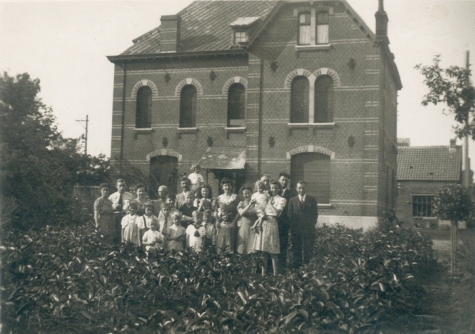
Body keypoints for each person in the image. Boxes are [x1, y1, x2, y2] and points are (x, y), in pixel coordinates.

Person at [252, 181, 286, 276]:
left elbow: (277, 213)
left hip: (272, 223)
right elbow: (260, 209)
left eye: (275, 188)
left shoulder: (281, 199)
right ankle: (263, 275)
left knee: (273, 251)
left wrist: (271, 204)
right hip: (264, 222)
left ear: (279, 189)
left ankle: (275, 275)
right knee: (263, 251)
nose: (273, 190)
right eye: (272, 188)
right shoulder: (267, 197)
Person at [287, 180, 318, 269]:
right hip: (296, 230)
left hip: (308, 229)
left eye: (303, 188)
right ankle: (297, 268)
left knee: (308, 248)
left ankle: (308, 267)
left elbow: (315, 214)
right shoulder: (292, 200)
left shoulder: (312, 200)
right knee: (297, 248)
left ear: (306, 188)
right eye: (299, 188)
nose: (301, 190)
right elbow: (290, 215)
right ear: (296, 189)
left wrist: (311, 225)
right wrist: (293, 228)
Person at [109, 179, 134, 244]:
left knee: (126, 233)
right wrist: (114, 208)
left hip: (126, 216)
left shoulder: (130, 196)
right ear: (116, 186)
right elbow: (108, 209)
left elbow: (134, 206)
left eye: (123, 185)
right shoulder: (112, 196)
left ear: (125, 186)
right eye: (120, 186)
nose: (122, 187)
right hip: (115, 217)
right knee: (116, 233)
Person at [236, 185, 257, 255]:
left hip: (253, 227)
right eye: (245, 193)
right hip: (244, 228)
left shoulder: (256, 203)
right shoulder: (241, 203)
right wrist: (249, 205)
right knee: (242, 249)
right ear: (242, 195)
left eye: (248, 193)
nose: (247, 195)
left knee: (253, 249)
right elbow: (241, 213)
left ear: (252, 193)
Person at [278, 172, 293, 270]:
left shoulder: (291, 194)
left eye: (286, 180)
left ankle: (282, 266)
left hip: (284, 224)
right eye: (282, 180)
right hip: (273, 223)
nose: (284, 182)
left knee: (283, 244)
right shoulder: (273, 191)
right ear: (279, 180)